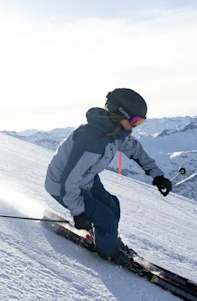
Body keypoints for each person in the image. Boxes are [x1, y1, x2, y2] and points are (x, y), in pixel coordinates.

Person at [44, 88, 173, 266]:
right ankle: (108, 252)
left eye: (139, 122)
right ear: (121, 114)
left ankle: (106, 238)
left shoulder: (115, 133)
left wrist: (157, 175)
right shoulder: (92, 140)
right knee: (105, 217)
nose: (134, 127)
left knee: (113, 206)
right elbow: (68, 180)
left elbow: (135, 150)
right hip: (61, 185)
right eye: (134, 121)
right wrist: (78, 212)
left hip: (86, 180)